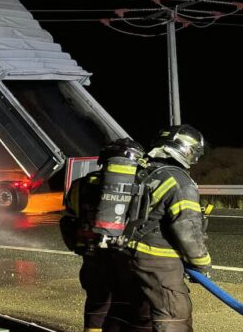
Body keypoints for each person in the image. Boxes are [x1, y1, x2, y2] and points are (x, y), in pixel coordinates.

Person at [106, 124, 211, 332]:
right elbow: (187, 229)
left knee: (137, 316)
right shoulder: (179, 181)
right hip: (158, 262)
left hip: (123, 255)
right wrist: (202, 264)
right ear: (187, 150)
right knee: (173, 317)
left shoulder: (141, 172)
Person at [60, 138, 145, 332]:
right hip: (123, 259)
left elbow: (70, 218)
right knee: (122, 307)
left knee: (96, 304)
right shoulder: (137, 187)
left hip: (91, 257)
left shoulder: (79, 184)